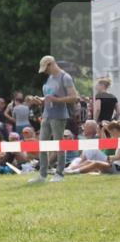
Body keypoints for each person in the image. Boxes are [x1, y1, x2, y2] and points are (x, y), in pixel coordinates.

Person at [30, 55, 79, 183]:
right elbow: (48, 97)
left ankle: (59, 174)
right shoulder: (49, 78)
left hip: (59, 115)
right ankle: (42, 175)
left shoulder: (65, 77)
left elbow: (74, 97)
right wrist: (40, 100)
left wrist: (57, 100)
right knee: (43, 144)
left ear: (51, 64)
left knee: (59, 144)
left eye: (46, 69)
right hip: (46, 114)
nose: (45, 72)